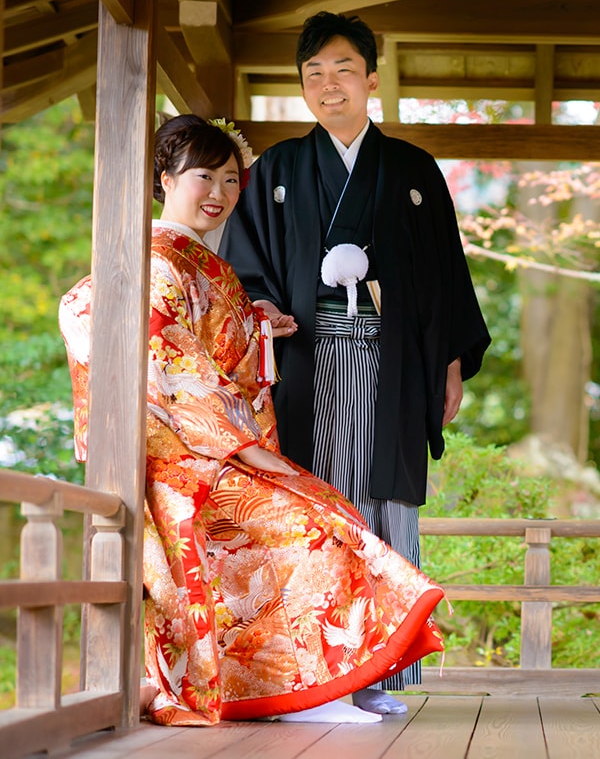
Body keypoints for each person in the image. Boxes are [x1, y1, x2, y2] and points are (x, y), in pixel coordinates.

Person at [59, 115, 446, 727]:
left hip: (212, 454)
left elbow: (218, 353)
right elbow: (164, 368)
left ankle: (300, 688)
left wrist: (257, 322)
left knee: (333, 513)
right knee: (311, 525)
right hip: (184, 464)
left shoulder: (201, 263)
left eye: (232, 180)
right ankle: (298, 691)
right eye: (202, 176)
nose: (218, 192)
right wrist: (245, 449)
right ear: (165, 180)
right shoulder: (157, 260)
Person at [219, 12, 490, 714]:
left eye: (343, 70)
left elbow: (444, 277)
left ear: (372, 79)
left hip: (392, 367)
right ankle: (314, 678)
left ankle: (378, 676)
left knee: (384, 510)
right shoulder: (275, 170)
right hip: (307, 366)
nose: (328, 85)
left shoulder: (412, 172)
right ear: (303, 86)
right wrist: (265, 312)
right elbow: (244, 271)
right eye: (314, 74)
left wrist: (451, 362)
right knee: (314, 512)